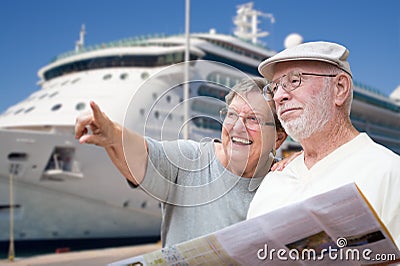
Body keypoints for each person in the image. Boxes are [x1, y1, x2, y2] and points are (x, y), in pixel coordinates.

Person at [75, 77, 288, 247]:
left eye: (253, 119)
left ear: (278, 138)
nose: (238, 127)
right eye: (232, 115)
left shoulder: (287, 179)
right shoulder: (191, 161)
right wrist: (113, 135)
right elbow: (143, 156)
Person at [247, 41, 400, 248]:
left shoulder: (389, 172)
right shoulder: (274, 180)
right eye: (274, 87)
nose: (279, 96)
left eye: (294, 80)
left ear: (339, 88)